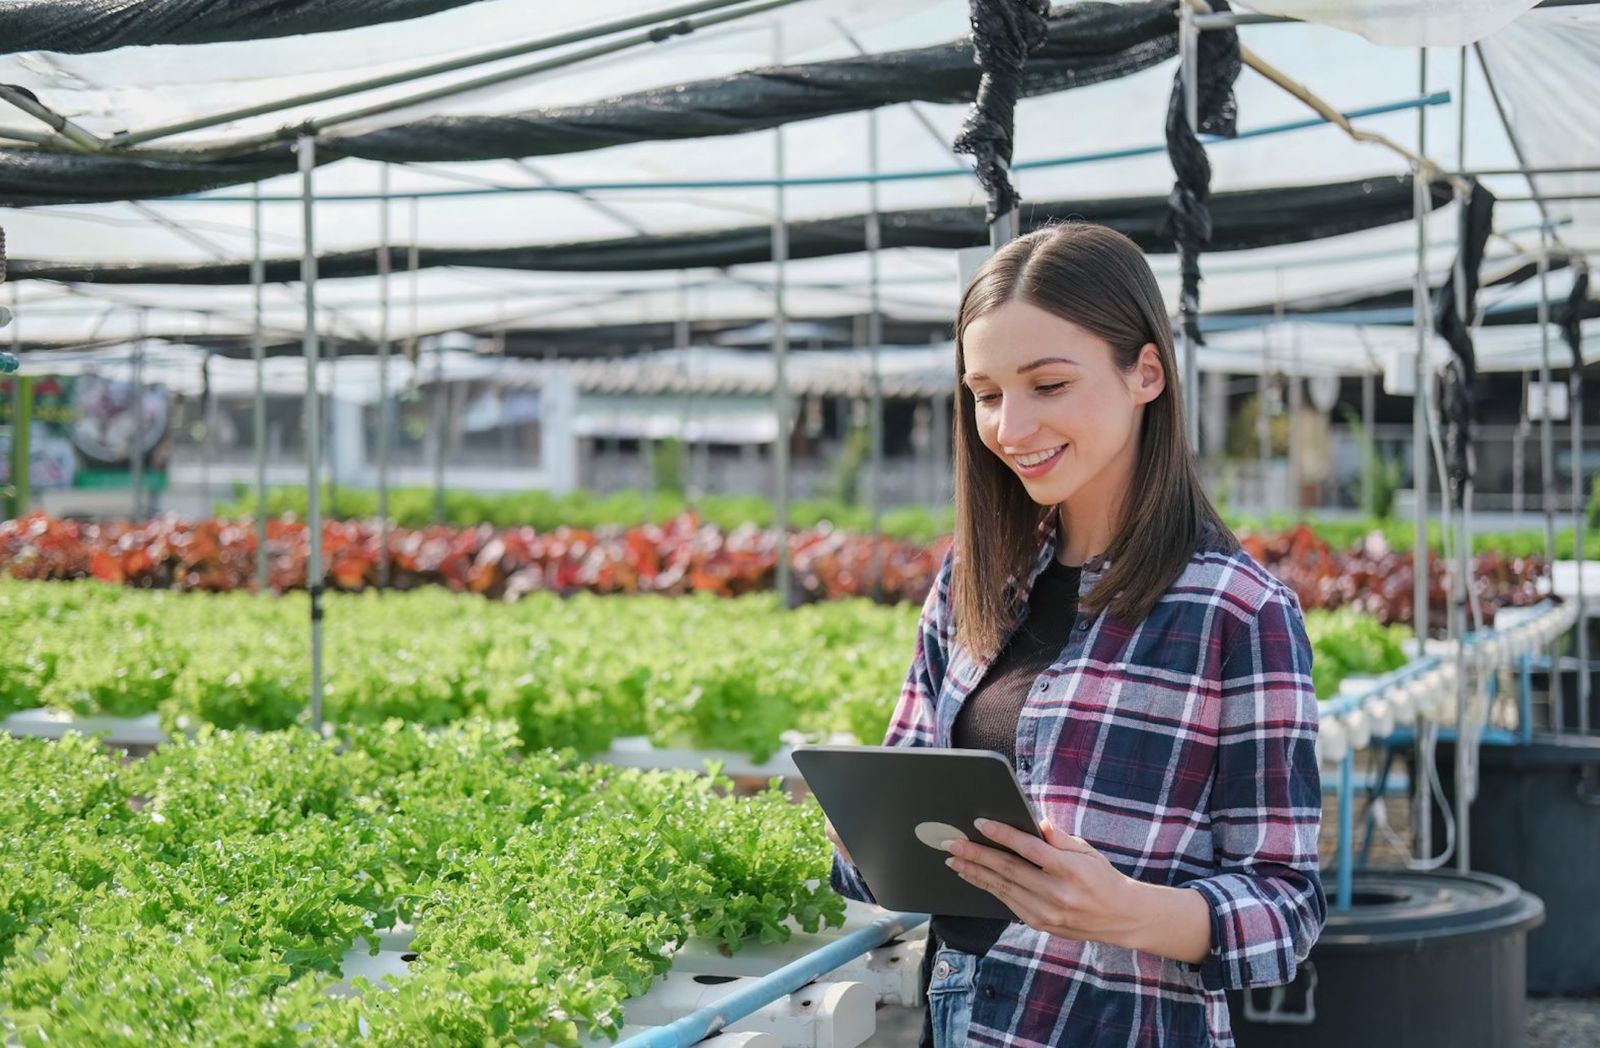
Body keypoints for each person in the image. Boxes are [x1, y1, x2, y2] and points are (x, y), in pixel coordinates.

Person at [826, 223, 1324, 1047]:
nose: (1011, 426)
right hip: (958, 1012)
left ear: (1147, 373)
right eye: (986, 394)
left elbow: (1287, 908)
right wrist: (862, 835)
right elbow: (899, 863)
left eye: (1049, 384)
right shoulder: (972, 581)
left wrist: (1133, 912)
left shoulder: (1238, 611)